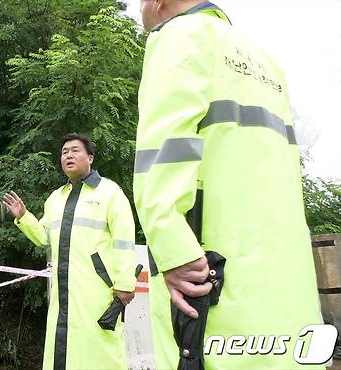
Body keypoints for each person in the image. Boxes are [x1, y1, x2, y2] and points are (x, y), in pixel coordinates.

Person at [133, 1, 322, 368]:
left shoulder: (178, 36)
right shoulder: (267, 62)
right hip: (287, 290)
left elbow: (166, 152)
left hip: (211, 283)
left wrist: (173, 251)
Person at [3, 133, 137, 370]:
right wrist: (24, 217)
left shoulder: (109, 192)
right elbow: (45, 237)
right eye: (64, 152)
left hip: (98, 292)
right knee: (63, 350)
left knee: (100, 350)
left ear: (91, 158)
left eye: (75, 150)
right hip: (63, 293)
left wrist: (125, 284)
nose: (68, 155)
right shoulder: (56, 198)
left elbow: (124, 240)